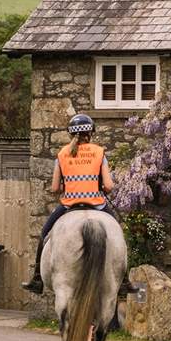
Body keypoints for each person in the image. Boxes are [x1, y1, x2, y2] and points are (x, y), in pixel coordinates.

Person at [20, 113, 114, 295]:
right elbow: (109, 186)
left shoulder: (62, 154)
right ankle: (124, 280)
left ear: (72, 135)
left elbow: (55, 187)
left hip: (69, 205)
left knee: (44, 234)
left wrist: (68, 184)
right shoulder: (99, 152)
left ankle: (37, 279)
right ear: (91, 133)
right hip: (96, 204)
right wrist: (101, 186)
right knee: (118, 234)